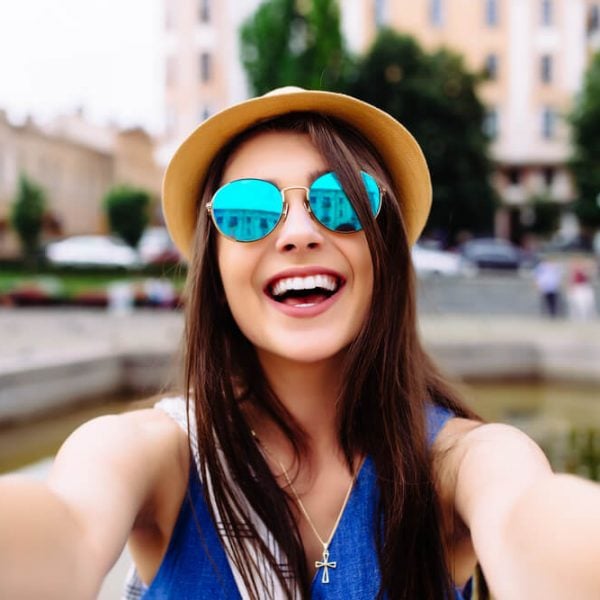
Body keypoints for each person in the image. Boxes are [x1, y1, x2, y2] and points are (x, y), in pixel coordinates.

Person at [1, 87, 600, 600]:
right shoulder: (154, 455)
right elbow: (67, 530)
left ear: (384, 248)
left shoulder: (461, 463)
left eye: (340, 201)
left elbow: (533, 521)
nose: (297, 232)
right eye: (247, 211)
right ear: (215, 265)